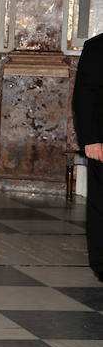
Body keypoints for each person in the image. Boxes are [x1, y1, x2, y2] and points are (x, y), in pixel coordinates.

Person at [73, 32, 103, 283]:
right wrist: (91, 139)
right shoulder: (97, 47)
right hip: (102, 142)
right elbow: (84, 98)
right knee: (101, 204)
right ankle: (102, 263)